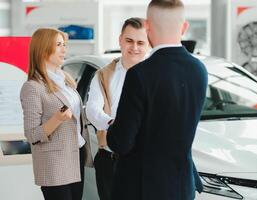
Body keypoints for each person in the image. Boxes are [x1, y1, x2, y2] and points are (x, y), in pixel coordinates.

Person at [106, 0, 208, 200]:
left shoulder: (140, 74)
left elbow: (121, 143)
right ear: (184, 26)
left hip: (142, 188)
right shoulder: (199, 70)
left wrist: (111, 127)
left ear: (147, 26)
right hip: (181, 187)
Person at [20, 28, 93, 200]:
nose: (64, 49)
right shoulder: (32, 87)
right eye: (58, 45)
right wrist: (57, 119)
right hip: (54, 162)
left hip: (76, 154)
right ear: (43, 49)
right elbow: (31, 134)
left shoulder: (66, 80)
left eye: (64, 45)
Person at [85, 17, 149, 200]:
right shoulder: (104, 75)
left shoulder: (156, 76)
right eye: (129, 41)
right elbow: (92, 110)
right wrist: (115, 124)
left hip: (142, 161)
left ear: (148, 44)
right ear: (120, 40)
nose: (134, 47)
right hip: (110, 159)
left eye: (140, 42)